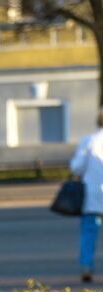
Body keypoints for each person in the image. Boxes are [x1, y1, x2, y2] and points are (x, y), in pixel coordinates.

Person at [69, 109, 103, 282]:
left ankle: (86, 266)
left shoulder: (89, 141)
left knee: (89, 232)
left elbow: (76, 167)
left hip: (92, 194)